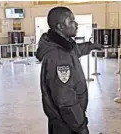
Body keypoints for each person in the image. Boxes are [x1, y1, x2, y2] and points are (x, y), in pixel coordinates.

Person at [36, 6, 102, 134]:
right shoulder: (59, 57)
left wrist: (91, 46)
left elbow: (76, 50)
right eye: (71, 21)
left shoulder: (63, 45)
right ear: (60, 26)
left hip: (66, 120)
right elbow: (65, 101)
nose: (76, 25)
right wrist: (81, 126)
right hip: (66, 123)